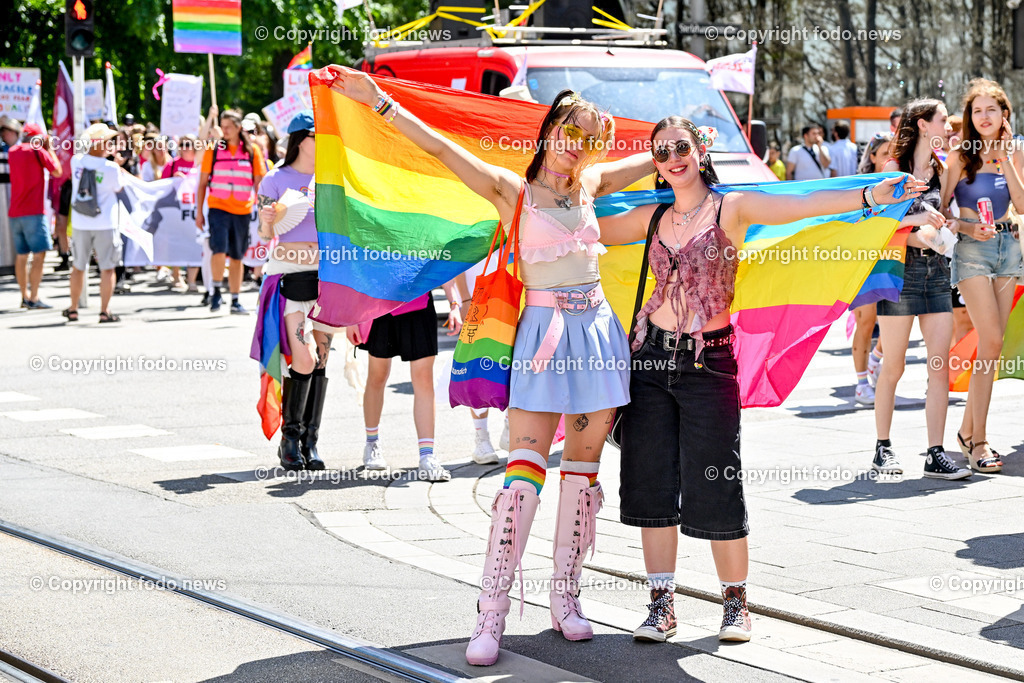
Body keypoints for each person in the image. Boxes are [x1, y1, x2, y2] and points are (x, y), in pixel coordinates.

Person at [325, 64, 656, 666]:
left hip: (599, 336)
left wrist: (686, 142)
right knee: (521, 479)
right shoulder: (513, 191)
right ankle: (491, 615)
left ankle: (566, 601)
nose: (573, 147)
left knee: (580, 479)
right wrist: (378, 102)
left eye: (586, 139)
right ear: (549, 130)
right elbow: (444, 150)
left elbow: (657, 156)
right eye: (566, 132)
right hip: (542, 340)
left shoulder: (591, 185)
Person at [598, 116, 924, 644]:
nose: (672, 159)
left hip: (710, 362)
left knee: (716, 480)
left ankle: (735, 605)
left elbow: (802, 204)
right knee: (650, 483)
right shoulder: (651, 217)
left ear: (701, 149)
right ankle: (662, 606)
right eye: (660, 153)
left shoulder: (734, 208)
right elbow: (579, 223)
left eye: (681, 146)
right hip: (651, 361)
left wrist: (869, 192)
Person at [871, 100, 968, 480]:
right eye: (943, 120)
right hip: (900, 275)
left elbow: (944, 214)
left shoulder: (941, 168)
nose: (948, 125)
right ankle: (883, 448)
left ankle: (935, 453)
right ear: (925, 125)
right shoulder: (894, 169)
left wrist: (952, 227)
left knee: (939, 366)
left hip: (937, 274)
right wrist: (918, 224)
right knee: (893, 366)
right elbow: (879, 223)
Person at [941, 78, 1024, 473]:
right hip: (973, 250)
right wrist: (966, 227)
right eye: (978, 110)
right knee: (988, 338)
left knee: (992, 347)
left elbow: (1021, 203)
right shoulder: (960, 155)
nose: (985, 116)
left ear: (1004, 115)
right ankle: (979, 442)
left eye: (992, 109)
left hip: (1008, 249)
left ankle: (966, 431)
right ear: (970, 118)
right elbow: (940, 212)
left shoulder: (1015, 151)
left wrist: (1007, 156)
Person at [255, 111, 336, 470]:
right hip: (289, 274)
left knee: (320, 357)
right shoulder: (275, 179)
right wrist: (266, 220)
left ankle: (309, 441)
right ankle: (290, 437)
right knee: (302, 357)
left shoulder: (333, 179)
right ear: (302, 140)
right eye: (320, 137)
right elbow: (263, 233)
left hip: (327, 277)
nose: (325, 143)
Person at [349, 280, 464, 481]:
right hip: (378, 305)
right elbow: (359, 266)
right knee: (378, 375)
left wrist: (454, 304)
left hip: (418, 303)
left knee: (424, 379)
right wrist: (351, 317)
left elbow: (441, 261)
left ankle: (427, 455)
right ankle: (372, 442)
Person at [195, 108, 265, 314]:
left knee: (237, 256)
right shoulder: (213, 149)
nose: (223, 131)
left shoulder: (252, 150)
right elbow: (201, 184)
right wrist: (199, 213)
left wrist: (262, 212)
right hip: (218, 208)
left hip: (242, 210)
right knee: (218, 250)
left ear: (238, 128)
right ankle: (216, 291)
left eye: (228, 127)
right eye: (222, 127)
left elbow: (259, 184)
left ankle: (235, 299)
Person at [849, 132, 894, 404]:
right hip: (863, 263)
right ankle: (861, 383)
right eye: (885, 152)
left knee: (893, 324)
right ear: (873, 156)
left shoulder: (902, 184)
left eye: (894, 152)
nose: (891, 157)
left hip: (893, 262)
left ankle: (876, 359)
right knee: (866, 323)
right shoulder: (858, 187)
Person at [65, 123, 126, 323]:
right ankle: (104, 311)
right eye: (108, 141)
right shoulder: (111, 168)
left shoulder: (76, 162)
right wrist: (115, 162)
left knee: (78, 267)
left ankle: (73, 309)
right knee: (107, 269)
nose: (110, 144)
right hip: (105, 223)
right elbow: (118, 188)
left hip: (81, 223)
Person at [8, 123, 62, 309]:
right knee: (39, 255)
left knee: (22, 256)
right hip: (34, 212)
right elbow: (57, 170)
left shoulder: (13, 150)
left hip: (15, 212)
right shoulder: (37, 150)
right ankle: (34, 297)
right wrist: (50, 150)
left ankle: (24, 296)